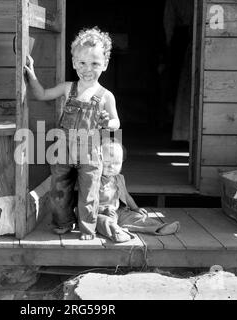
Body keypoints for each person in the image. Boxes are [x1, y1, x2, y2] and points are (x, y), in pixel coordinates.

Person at [24, 27, 119, 240]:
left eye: (95, 63)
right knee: (59, 191)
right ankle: (63, 222)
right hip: (63, 151)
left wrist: (107, 123)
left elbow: (116, 121)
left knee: (89, 195)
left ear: (105, 64)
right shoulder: (68, 88)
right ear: (74, 62)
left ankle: (87, 228)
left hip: (91, 154)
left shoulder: (106, 96)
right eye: (83, 63)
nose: (88, 68)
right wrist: (31, 73)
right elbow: (42, 95)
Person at [97, 139, 180, 243]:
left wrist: (135, 208)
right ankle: (117, 233)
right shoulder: (94, 180)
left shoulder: (119, 178)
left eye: (116, 163)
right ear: (98, 161)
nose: (111, 167)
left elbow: (126, 196)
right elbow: (88, 202)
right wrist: (102, 210)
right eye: (107, 163)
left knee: (137, 218)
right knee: (102, 222)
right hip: (101, 213)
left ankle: (159, 227)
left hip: (119, 211)